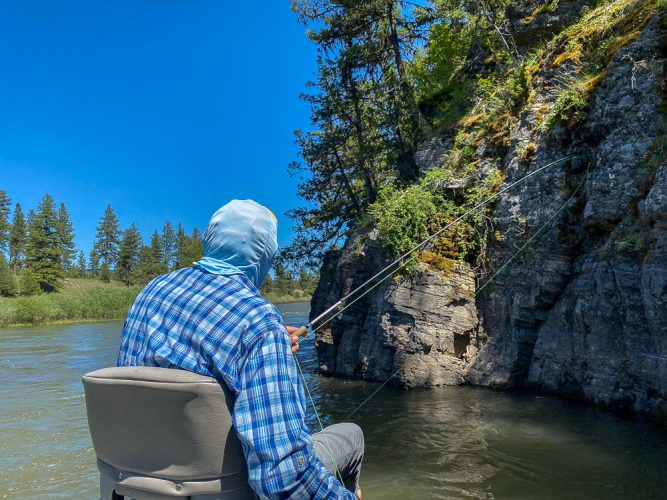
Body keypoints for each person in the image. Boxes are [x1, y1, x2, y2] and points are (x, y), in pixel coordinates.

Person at [117, 199, 363, 499]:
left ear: (209, 238)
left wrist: (268, 349)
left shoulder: (149, 294)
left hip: (140, 484)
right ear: (264, 256)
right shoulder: (257, 321)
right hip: (227, 489)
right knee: (352, 436)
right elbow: (285, 479)